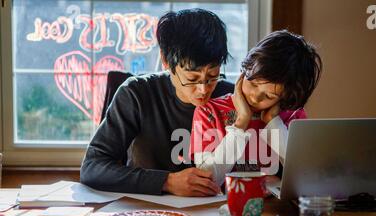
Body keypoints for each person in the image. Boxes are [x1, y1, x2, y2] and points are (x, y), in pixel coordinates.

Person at [80, 9, 234, 196]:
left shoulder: (231, 98)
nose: (203, 89)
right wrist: (167, 182)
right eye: (192, 78)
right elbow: (92, 167)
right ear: (165, 60)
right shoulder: (137, 94)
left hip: (216, 212)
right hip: (145, 213)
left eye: (212, 76)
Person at [190, 30, 322, 187]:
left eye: (269, 96)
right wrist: (241, 123)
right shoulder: (209, 112)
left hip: (276, 209)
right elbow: (207, 179)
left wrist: (275, 124)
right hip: (222, 208)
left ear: (285, 97)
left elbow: (306, 177)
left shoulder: (293, 117)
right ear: (244, 69)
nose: (254, 97)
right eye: (252, 83)